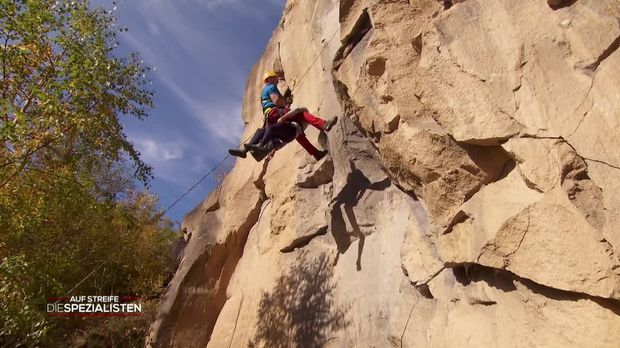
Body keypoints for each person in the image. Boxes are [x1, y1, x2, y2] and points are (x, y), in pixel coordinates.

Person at [229, 71, 337, 160]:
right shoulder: (271, 87)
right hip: (275, 112)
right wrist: (286, 102)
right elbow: (276, 101)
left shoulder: (263, 93)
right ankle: (323, 124)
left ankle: (244, 150)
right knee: (301, 114)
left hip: (269, 117)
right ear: (270, 79)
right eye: (276, 78)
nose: (277, 80)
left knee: (296, 133)